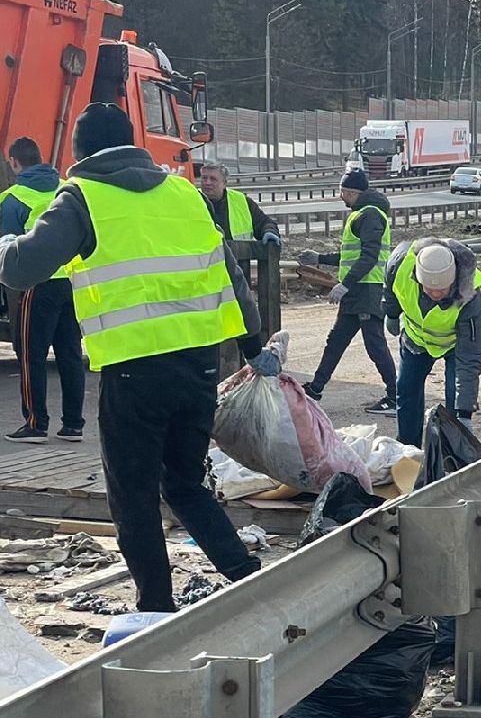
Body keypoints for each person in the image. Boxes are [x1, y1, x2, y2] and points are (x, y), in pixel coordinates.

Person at [0, 103, 276, 613]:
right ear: (133, 144)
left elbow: (21, 270)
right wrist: (256, 348)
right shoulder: (183, 192)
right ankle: (246, 576)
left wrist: (6, 244)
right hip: (200, 365)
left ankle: (155, 608)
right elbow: (232, 276)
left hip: (135, 372)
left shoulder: (82, 198)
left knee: (133, 496)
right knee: (184, 483)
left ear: (79, 152)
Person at [0, 137, 85, 444]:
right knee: (70, 354)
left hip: (37, 283)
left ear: (14, 162)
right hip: (71, 282)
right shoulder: (66, 188)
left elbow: (7, 249)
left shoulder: (13, 198)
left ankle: (36, 424)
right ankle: (73, 424)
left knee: (30, 355)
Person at [296, 169, 397, 414]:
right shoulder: (362, 213)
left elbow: (369, 257)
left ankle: (396, 397)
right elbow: (351, 256)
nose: (341, 196)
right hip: (357, 292)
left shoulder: (370, 214)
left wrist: (345, 284)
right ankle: (315, 389)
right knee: (336, 341)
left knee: (375, 345)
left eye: (342, 191)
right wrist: (320, 258)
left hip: (366, 291)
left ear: (350, 192)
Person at [381, 238, 481, 447]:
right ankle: (407, 450)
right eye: (430, 290)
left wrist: (465, 412)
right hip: (415, 340)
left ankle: (450, 456)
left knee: (453, 407)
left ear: (454, 280)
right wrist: (391, 313)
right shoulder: (399, 264)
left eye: (443, 290)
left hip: (455, 346)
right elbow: (389, 288)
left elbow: (470, 357)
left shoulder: (469, 295)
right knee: (407, 392)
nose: (436, 294)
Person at [197, 160, 282, 247]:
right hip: (202, 258)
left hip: (239, 258)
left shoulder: (241, 201)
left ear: (224, 183)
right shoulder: (193, 200)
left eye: (213, 179)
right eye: (204, 178)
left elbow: (264, 222)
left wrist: (269, 231)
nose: (207, 183)